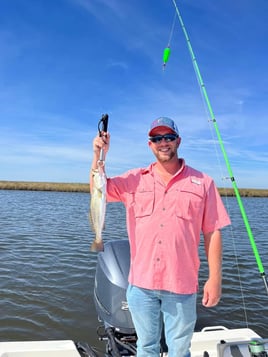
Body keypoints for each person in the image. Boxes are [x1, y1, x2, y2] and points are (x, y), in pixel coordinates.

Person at [90, 117, 231, 357]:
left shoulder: (203, 183)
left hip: (181, 285)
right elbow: (98, 189)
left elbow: (213, 231)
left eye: (168, 137)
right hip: (140, 284)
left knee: (179, 349)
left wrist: (215, 278)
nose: (163, 142)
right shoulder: (134, 179)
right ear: (150, 144)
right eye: (157, 138)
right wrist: (99, 155)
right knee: (146, 348)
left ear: (178, 141)